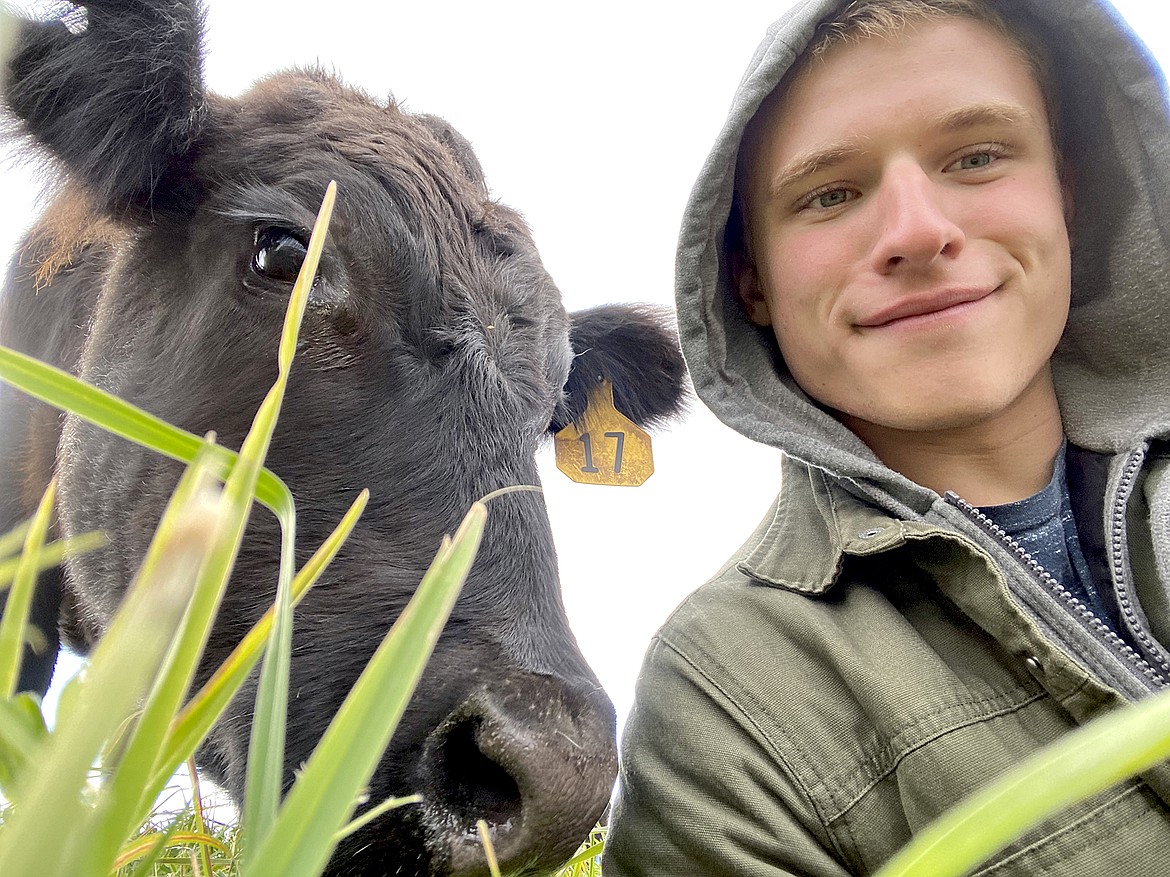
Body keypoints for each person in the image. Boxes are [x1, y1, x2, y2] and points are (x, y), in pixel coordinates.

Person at [604, 1, 1170, 874]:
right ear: (748, 282)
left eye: (978, 155)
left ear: (1068, 192)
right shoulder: (722, 706)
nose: (915, 231)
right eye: (829, 194)